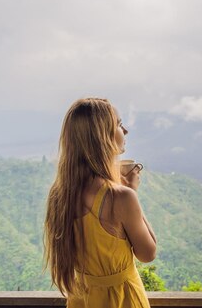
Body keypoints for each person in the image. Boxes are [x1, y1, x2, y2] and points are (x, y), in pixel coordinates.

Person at [44, 97, 156, 308]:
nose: (126, 131)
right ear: (103, 136)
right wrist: (131, 192)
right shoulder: (122, 197)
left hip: (82, 300)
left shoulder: (59, 195)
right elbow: (148, 253)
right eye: (119, 124)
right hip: (123, 300)